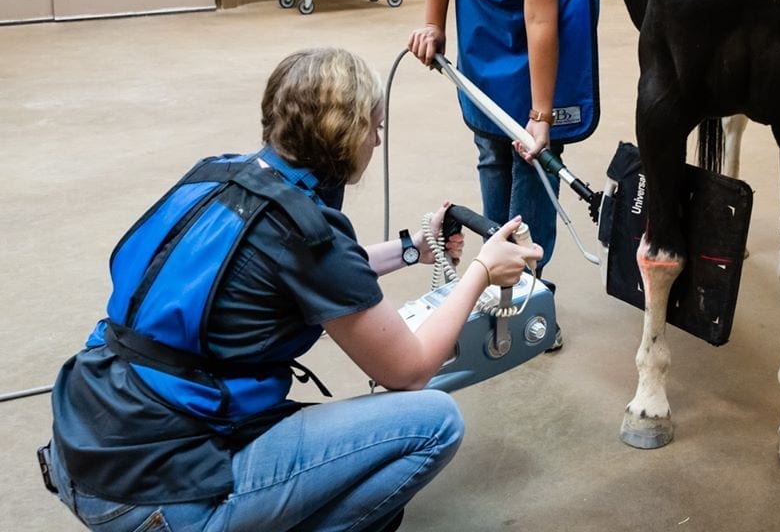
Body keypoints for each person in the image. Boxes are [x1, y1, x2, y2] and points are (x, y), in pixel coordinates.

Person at [41, 47, 540, 532]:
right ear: (344, 133)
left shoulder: (218, 177)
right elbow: (407, 371)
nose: (378, 142)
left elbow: (303, 274)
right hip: (159, 495)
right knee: (433, 421)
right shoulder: (304, 232)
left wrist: (415, 248)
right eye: (375, 126)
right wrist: (481, 272)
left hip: (89, 446)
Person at [406, 0, 606, 347]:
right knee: (493, 146)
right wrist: (433, 22)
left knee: (535, 158)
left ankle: (529, 294)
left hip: (548, 5)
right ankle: (493, 278)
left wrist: (540, 117)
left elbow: (539, 12)